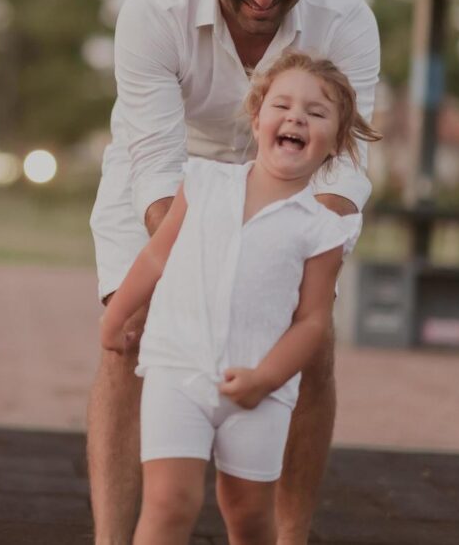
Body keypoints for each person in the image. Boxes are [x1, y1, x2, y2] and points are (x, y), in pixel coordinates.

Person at [86, 0, 380, 543]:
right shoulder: (154, 4)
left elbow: (348, 161)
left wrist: (301, 247)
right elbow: (156, 169)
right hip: (164, 174)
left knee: (314, 340)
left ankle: (289, 536)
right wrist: (196, 271)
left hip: (290, 174)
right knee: (130, 335)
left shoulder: (346, 17)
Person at [98, 51, 382, 545]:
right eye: (283, 105)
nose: (296, 117)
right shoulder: (204, 183)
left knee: (249, 518)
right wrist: (117, 316)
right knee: (169, 503)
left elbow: (312, 322)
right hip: (177, 372)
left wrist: (265, 378)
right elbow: (154, 260)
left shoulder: (322, 231)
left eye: (316, 113)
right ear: (257, 118)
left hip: (259, 393)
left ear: (335, 143)